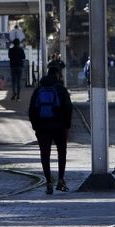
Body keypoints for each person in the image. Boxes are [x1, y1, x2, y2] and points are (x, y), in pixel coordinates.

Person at [28, 66, 72, 194]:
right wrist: (67, 125)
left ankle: (48, 182)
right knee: (61, 152)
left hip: (42, 127)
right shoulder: (61, 89)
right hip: (59, 126)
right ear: (58, 76)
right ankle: (60, 179)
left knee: (45, 154)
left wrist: (36, 126)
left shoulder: (38, 90)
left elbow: (31, 110)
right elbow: (68, 107)